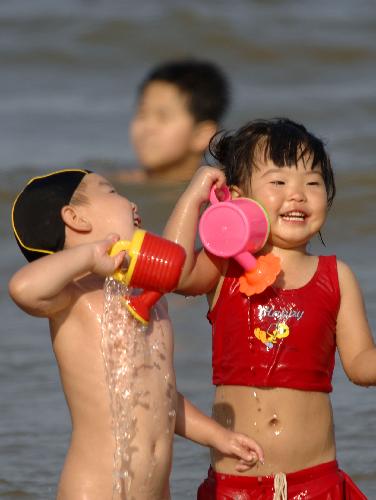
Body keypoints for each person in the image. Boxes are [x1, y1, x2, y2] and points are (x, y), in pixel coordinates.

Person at [8, 169, 263, 500]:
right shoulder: (72, 297)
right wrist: (89, 257)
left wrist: (217, 436)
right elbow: (23, 288)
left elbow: (160, 396)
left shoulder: (146, 298)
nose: (130, 202)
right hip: (96, 489)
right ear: (75, 218)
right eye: (112, 192)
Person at [163, 118, 374, 498]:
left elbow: (361, 364)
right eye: (278, 182)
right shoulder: (223, 265)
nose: (297, 195)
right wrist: (194, 196)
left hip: (315, 482)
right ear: (238, 196)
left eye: (312, 183)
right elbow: (174, 273)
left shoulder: (335, 276)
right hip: (235, 485)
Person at [119, 58, 230, 183]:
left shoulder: (224, 187)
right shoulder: (116, 184)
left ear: (202, 135)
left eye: (163, 117)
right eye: (142, 114)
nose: (147, 128)